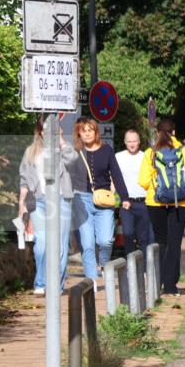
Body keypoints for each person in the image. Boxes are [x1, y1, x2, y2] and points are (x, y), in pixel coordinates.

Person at [139, 118, 185, 296]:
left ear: (157, 132)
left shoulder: (151, 153)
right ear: (174, 132)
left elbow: (143, 181)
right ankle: (171, 285)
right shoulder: (184, 151)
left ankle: (158, 282)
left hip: (155, 202)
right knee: (175, 242)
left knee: (161, 241)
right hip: (180, 202)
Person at [18, 118, 76, 295]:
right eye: (45, 129)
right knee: (41, 244)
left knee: (60, 245)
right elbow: (24, 179)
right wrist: (21, 203)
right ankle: (41, 282)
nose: (48, 132)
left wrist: (61, 140)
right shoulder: (31, 152)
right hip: (39, 201)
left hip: (62, 199)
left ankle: (56, 285)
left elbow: (73, 159)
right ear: (40, 131)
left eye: (53, 129)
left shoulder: (62, 149)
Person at [70, 117, 129, 289]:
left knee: (105, 241)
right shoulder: (75, 152)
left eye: (90, 130)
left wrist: (125, 198)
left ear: (96, 132)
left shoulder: (107, 150)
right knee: (87, 243)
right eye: (83, 130)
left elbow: (116, 174)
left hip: (104, 201)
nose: (87, 133)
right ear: (79, 133)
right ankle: (91, 281)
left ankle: (103, 262)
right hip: (81, 199)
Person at [115, 129, 153, 254]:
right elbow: (114, 177)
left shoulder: (146, 156)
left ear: (139, 142)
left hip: (144, 202)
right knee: (128, 233)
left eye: (134, 141)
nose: (132, 144)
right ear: (125, 142)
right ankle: (131, 265)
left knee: (144, 239)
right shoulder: (118, 157)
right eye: (129, 141)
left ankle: (145, 270)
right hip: (127, 202)